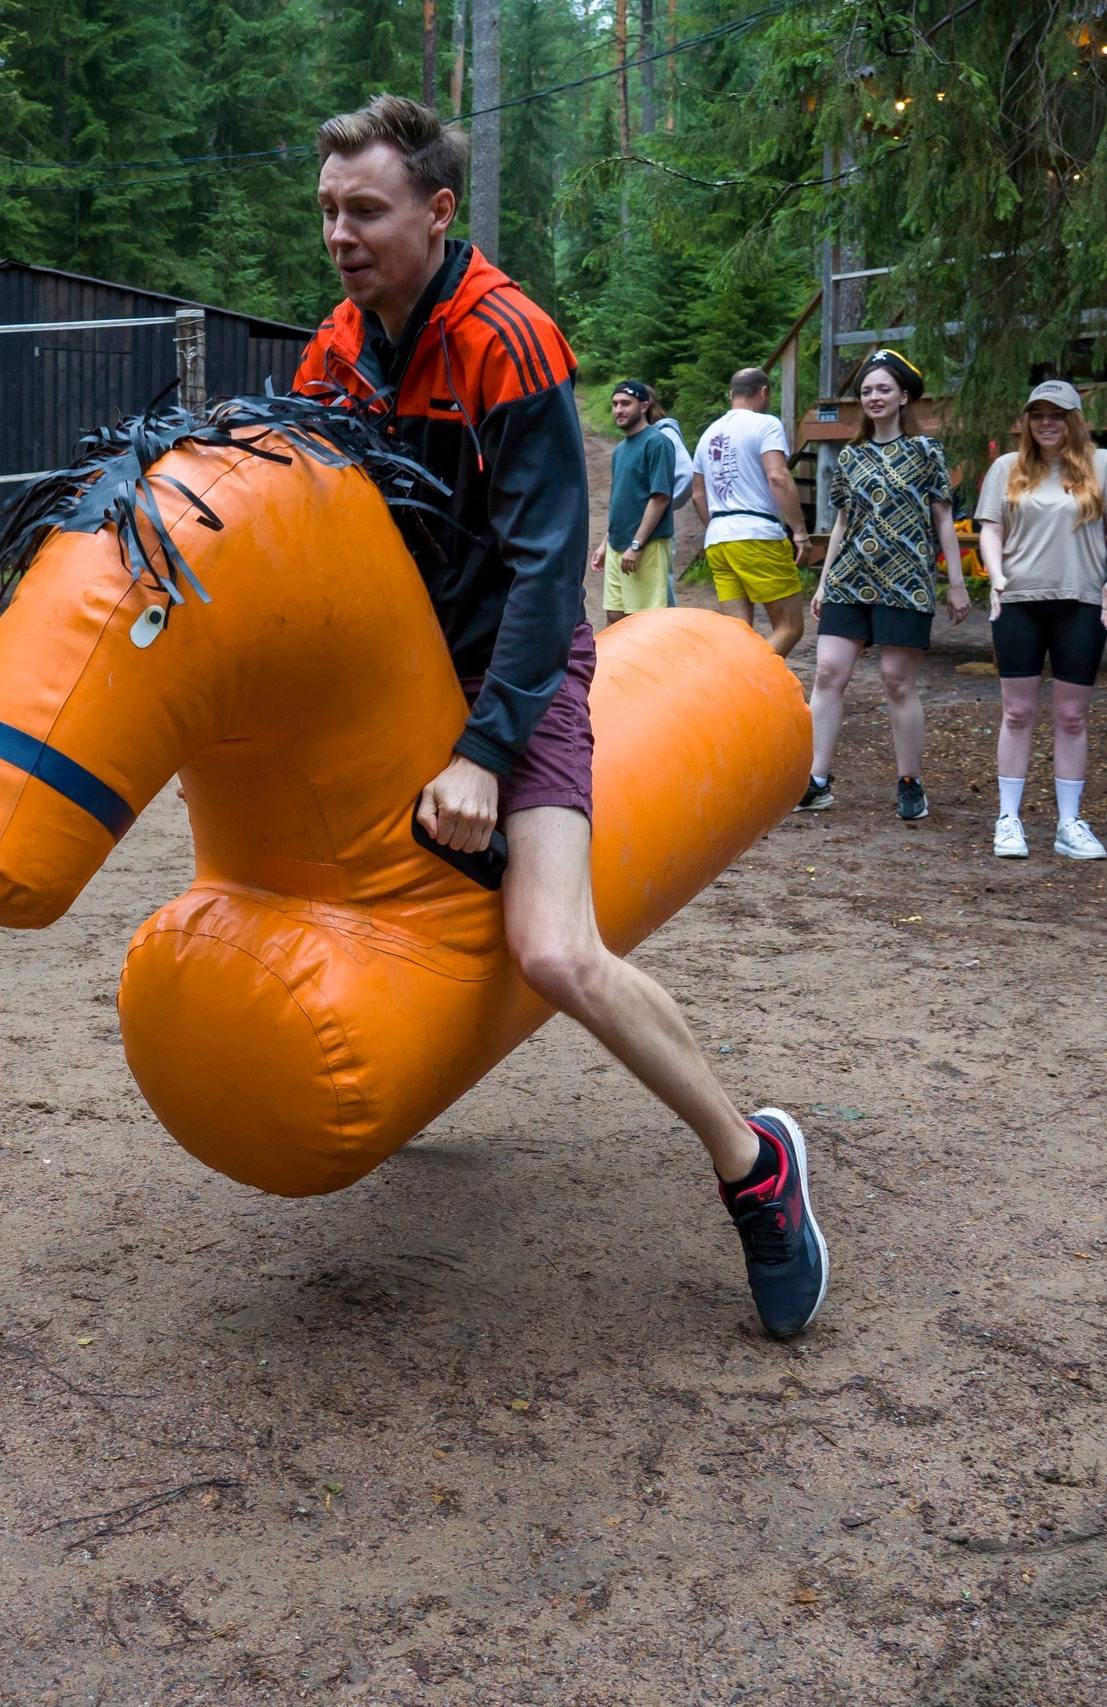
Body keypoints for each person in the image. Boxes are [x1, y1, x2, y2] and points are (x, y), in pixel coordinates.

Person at [294, 94, 826, 1340]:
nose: (339, 233)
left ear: (435, 210)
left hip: (516, 677)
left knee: (550, 950)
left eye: (363, 209)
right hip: (393, 680)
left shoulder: (506, 340)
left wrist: (483, 747)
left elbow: (549, 567)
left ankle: (755, 1166)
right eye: (326, 211)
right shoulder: (335, 347)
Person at [800, 349, 968, 820]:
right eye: (867, 391)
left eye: (883, 390)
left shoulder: (926, 452)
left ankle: (910, 781)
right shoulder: (850, 456)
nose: (874, 397)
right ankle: (815, 779)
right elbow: (840, 524)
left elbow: (943, 519)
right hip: (849, 579)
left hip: (905, 582)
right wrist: (823, 581)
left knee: (897, 681)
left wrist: (955, 583)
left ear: (904, 397)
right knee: (829, 673)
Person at [974, 380, 1107, 860]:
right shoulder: (1006, 467)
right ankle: (1008, 818)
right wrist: (997, 573)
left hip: (1083, 600)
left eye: (1058, 414)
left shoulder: (1105, 464)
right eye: (1038, 413)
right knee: (1017, 711)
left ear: (1075, 419)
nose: (1047, 422)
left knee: (1071, 714)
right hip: (1018, 600)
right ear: (1026, 420)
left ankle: (1069, 822)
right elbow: (989, 530)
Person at [691, 368, 811, 660]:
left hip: (718, 539)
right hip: (757, 535)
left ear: (731, 395)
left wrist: (717, 528)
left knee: (738, 634)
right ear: (764, 392)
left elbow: (697, 494)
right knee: (789, 627)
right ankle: (749, 681)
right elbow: (778, 477)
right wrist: (799, 531)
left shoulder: (708, 434)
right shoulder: (766, 424)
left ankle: (733, 693)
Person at [590, 380, 688, 623]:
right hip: (617, 545)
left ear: (644, 406)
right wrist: (605, 543)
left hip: (647, 545)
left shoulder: (657, 442)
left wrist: (636, 545)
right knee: (615, 616)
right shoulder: (620, 449)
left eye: (626, 404)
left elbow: (660, 497)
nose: (618, 410)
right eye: (615, 404)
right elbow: (621, 500)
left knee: (646, 621)